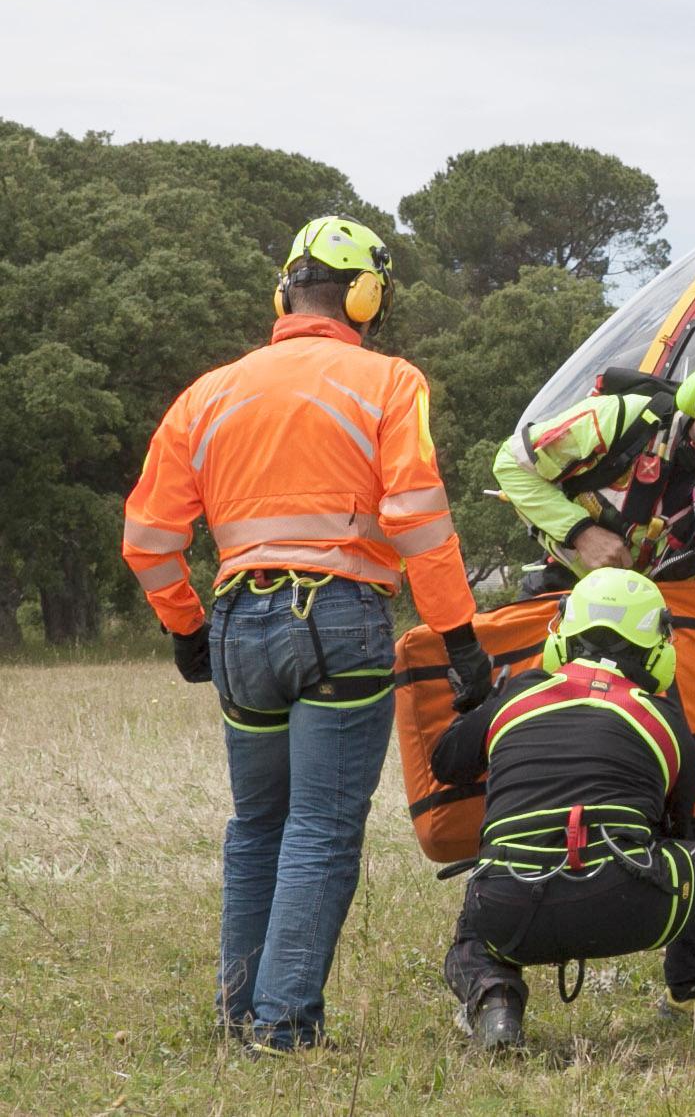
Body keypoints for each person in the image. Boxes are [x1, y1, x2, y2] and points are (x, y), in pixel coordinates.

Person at [122, 216, 493, 1053]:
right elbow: (419, 519)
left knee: (258, 823)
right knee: (322, 825)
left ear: (283, 290)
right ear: (366, 297)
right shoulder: (391, 381)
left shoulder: (207, 392)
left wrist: (186, 625)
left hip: (236, 626)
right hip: (338, 620)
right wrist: (458, 634)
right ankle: (283, 1025)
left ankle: (237, 1009)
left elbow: (146, 535)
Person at [435, 569, 695, 1066]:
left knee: (476, 917)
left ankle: (496, 1003)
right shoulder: (663, 719)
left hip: (509, 909)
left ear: (563, 630)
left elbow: (446, 764)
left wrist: (474, 709)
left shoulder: (514, 697)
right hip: (624, 901)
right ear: (658, 644)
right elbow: (676, 831)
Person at [493, 342, 695, 853]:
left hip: (650, 634)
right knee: (543, 736)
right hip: (563, 600)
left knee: (687, 751)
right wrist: (579, 531)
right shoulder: (620, 421)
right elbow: (512, 464)